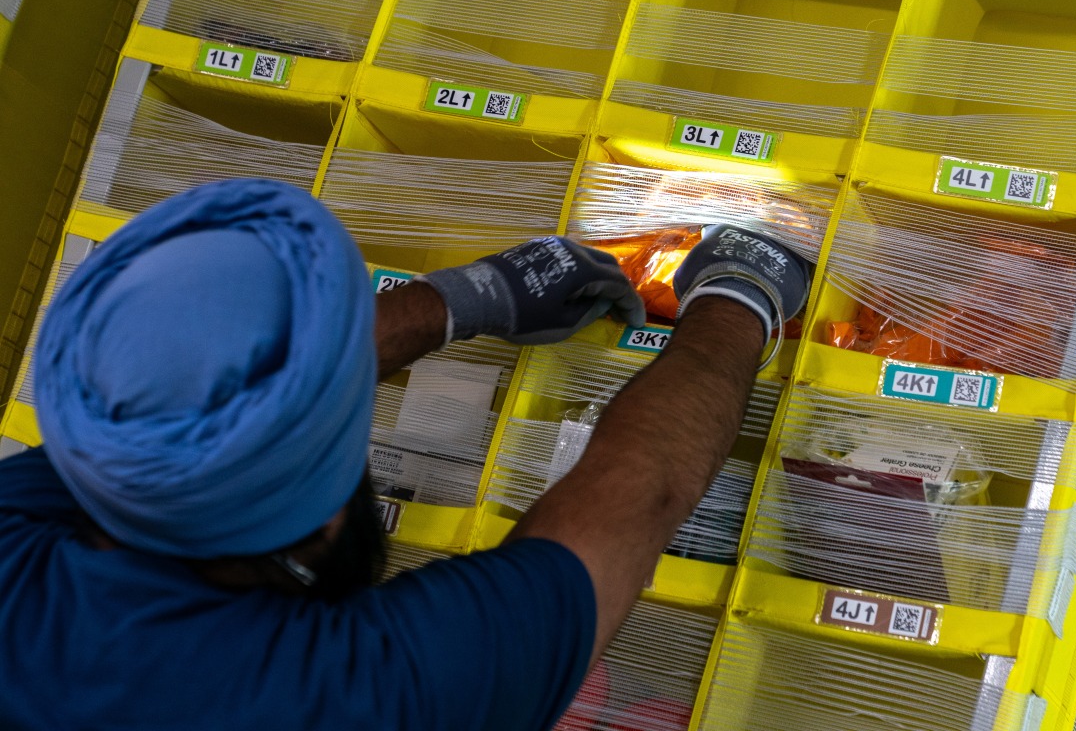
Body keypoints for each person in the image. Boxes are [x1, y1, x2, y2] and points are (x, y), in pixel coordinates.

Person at [0, 178, 812, 729]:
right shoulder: (350, 695)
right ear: (314, 523)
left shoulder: (33, 533)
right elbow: (643, 491)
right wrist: (743, 294)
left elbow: (219, 393)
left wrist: (465, 300)